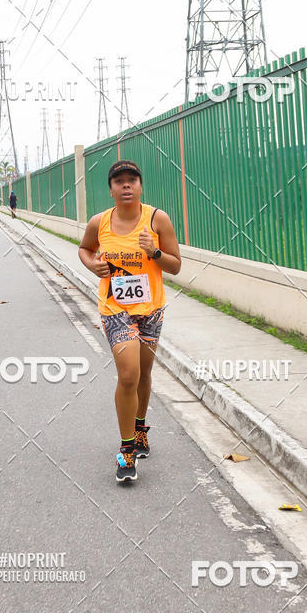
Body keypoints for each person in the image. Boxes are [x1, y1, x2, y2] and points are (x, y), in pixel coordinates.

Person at [78, 160, 181, 483]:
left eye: (132, 180)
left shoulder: (157, 219)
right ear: (110, 189)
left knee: (144, 374)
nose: (126, 185)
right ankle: (126, 451)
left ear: (140, 186)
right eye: (119, 181)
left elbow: (175, 266)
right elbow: (84, 249)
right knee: (128, 375)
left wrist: (154, 252)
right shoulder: (99, 222)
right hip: (115, 309)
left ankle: (139, 431)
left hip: (151, 310)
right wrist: (93, 265)